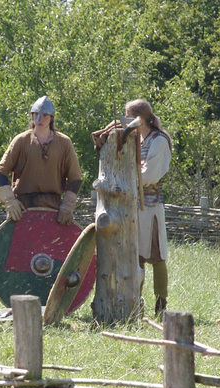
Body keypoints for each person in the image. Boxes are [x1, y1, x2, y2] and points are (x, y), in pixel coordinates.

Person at [92, 99, 172, 318]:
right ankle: (135, 303)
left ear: (141, 118)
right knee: (134, 256)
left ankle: (161, 306)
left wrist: (128, 175)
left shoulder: (158, 141)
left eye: (129, 116)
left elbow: (150, 174)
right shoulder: (138, 138)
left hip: (150, 205)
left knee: (156, 256)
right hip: (132, 205)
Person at [0, 96, 82, 224]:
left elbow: (75, 179)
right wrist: (10, 201)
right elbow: (0, 172)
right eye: (36, 114)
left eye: (45, 115)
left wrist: (67, 206)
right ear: (32, 115)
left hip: (54, 210)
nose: (40, 119)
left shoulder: (64, 143)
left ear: (51, 118)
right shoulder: (21, 140)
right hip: (23, 210)